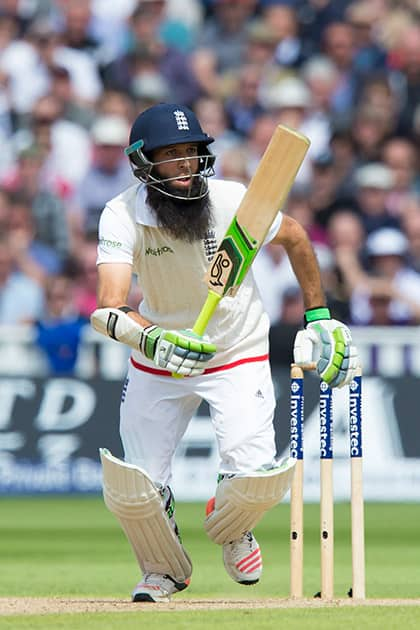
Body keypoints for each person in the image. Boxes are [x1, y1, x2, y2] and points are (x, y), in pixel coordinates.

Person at [90, 103, 359, 603]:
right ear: (143, 163)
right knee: (134, 489)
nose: (187, 165)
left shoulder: (234, 199)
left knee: (257, 480)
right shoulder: (122, 213)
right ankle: (162, 570)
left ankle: (233, 527)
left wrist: (319, 316)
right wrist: (155, 338)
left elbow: (297, 238)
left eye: (192, 153)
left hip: (236, 348)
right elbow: (110, 306)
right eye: (172, 156)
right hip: (159, 355)